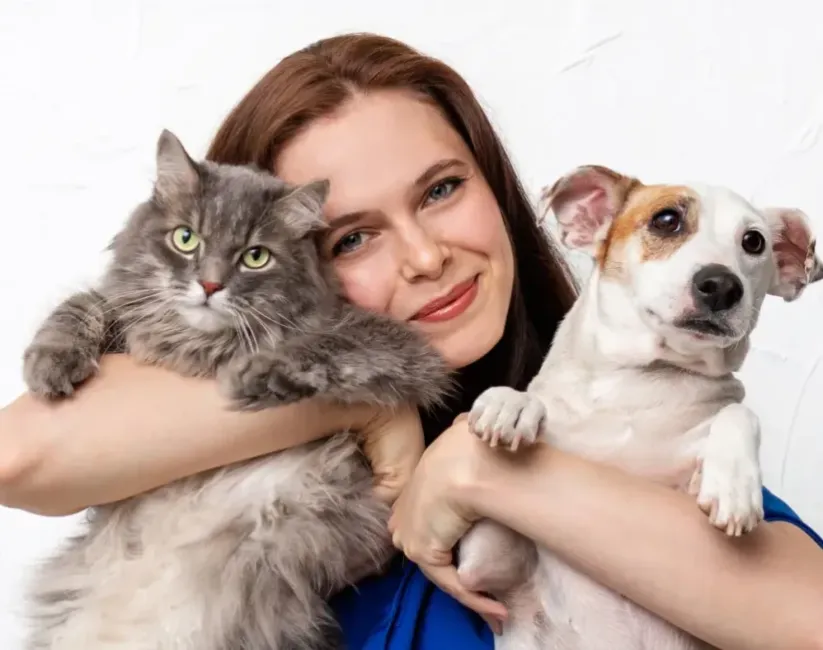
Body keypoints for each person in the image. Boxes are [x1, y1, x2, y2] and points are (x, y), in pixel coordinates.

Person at [1, 32, 822, 650]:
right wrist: (371, 410)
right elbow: (21, 456)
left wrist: (478, 468)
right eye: (351, 238)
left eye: (441, 189)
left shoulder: (654, 443)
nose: (426, 257)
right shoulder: (259, 477)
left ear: (495, 187)